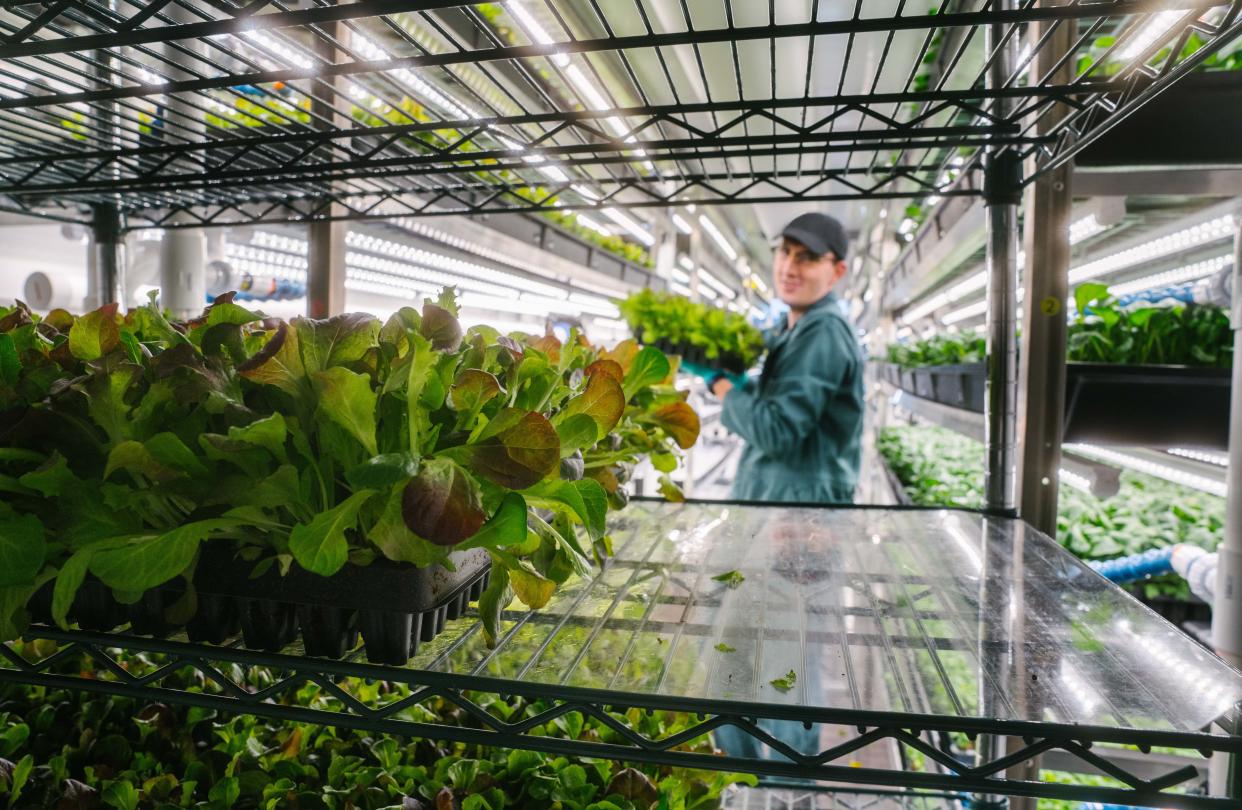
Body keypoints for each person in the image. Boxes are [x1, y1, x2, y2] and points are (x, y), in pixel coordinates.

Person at [710, 212, 865, 504]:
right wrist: (746, 387)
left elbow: (778, 432)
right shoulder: (797, 324)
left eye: (807, 258)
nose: (789, 268)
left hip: (798, 513)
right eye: (785, 252)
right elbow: (789, 404)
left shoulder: (824, 330)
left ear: (837, 271)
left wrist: (719, 384)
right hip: (782, 501)